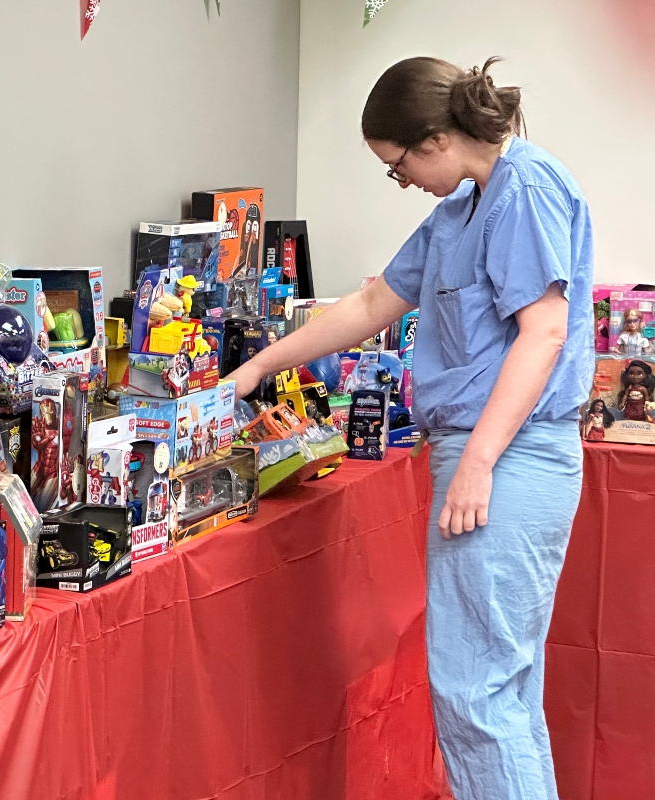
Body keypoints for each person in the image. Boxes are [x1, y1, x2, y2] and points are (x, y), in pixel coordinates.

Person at [230, 57, 592, 800]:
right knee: (503, 695)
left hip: (511, 458)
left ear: (435, 140)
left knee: (476, 696)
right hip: (491, 454)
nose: (401, 182)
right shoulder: (461, 209)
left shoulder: (525, 189)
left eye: (397, 167)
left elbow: (545, 332)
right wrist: (255, 368)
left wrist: (480, 461)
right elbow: (369, 308)